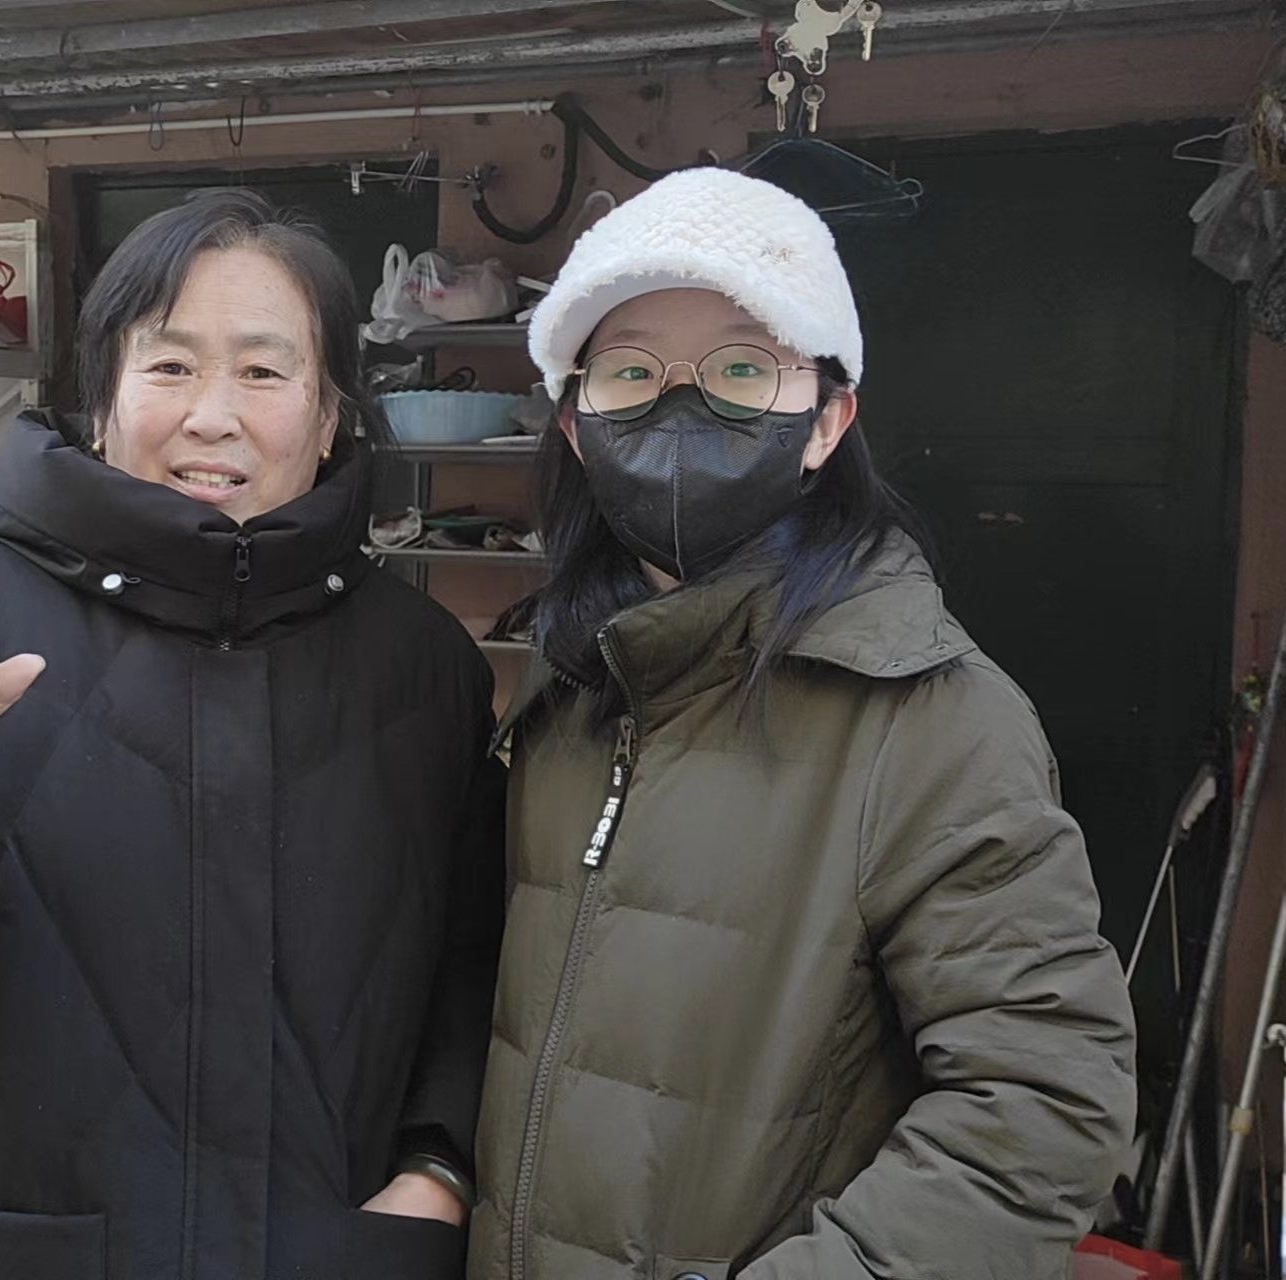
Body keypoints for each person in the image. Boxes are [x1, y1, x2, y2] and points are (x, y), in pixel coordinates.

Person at [0, 189, 504, 1280]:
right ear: (102, 399)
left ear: (329, 417)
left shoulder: (421, 668)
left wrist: (438, 1168)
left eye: (263, 372)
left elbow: (473, 971)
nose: (212, 416)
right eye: (170, 365)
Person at [467, 168, 1136, 1280]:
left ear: (828, 419)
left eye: (741, 368)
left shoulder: (932, 719)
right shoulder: (570, 687)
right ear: (576, 426)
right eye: (630, 371)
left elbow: (1043, 1106)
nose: (680, 408)